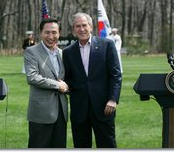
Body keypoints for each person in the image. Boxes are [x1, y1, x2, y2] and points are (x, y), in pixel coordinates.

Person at [62, 13, 122, 148]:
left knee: (107, 145)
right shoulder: (68, 52)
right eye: (78, 26)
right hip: (79, 108)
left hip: (104, 107)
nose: (81, 29)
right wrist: (64, 85)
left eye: (84, 25)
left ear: (91, 27)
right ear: (73, 29)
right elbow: (68, 78)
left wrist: (113, 99)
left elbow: (116, 75)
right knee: (81, 146)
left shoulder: (107, 45)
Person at [24, 18, 69, 148]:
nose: (51, 36)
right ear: (41, 33)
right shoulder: (31, 52)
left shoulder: (63, 53)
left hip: (61, 112)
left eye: (54, 32)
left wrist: (67, 87)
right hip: (40, 113)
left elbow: (68, 80)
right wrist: (58, 85)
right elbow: (32, 77)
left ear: (59, 33)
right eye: (47, 32)